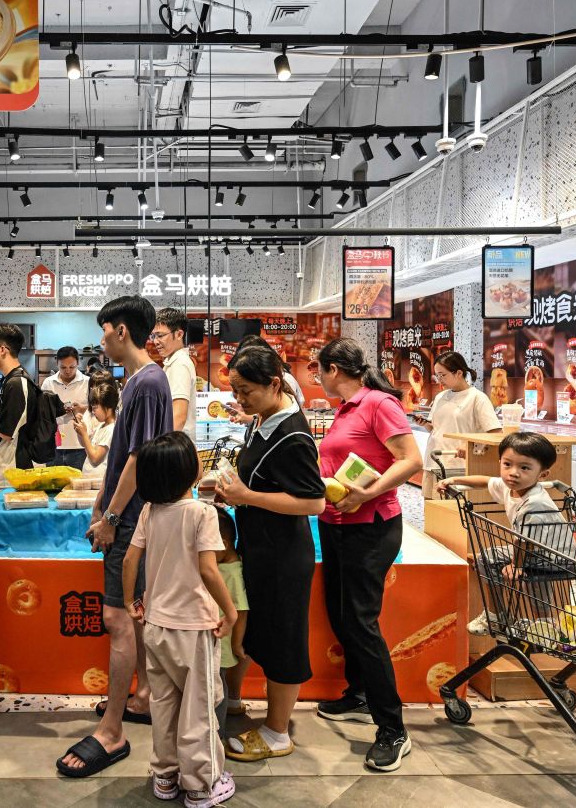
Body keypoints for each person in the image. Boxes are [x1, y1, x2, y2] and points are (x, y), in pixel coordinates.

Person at [57, 296, 172, 778]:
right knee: (133, 614)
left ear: (121, 331)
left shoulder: (146, 382)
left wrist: (111, 516)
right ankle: (141, 697)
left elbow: (137, 459)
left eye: (104, 330)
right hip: (127, 514)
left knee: (117, 615)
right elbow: (123, 454)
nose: (101, 339)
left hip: (134, 518)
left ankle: (112, 730)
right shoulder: (139, 381)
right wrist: (101, 505)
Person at [313, 337, 422, 772]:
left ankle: (393, 728)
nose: (317, 378)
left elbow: (411, 459)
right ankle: (357, 692)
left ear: (335, 369)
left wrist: (368, 493)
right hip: (336, 526)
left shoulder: (379, 403)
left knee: (360, 622)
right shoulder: (345, 408)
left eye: (319, 370)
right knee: (340, 615)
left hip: (371, 528)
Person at [214, 345, 325, 764]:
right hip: (259, 548)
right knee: (253, 631)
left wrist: (248, 496)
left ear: (274, 384)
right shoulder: (261, 421)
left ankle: (278, 731)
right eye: (236, 392)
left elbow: (313, 503)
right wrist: (234, 493)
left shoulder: (293, 435)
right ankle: (235, 702)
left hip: (283, 558)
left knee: (283, 642)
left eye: (247, 392)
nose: (240, 401)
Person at [122, 432, 238, 807]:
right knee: (199, 710)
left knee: (165, 704)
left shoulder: (149, 511)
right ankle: (202, 786)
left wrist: (130, 602)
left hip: (155, 626)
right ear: (193, 474)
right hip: (194, 629)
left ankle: (165, 776)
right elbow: (208, 569)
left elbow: (129, 561)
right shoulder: (203, 513)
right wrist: (231, 611)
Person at [438, 432, 569, 634]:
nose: (513, 472)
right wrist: (454, 479)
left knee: (486, 559)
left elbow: (523, 543)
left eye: (524, 468)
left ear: (542, 475)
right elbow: (485, 481)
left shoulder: (533, 504)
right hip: (548, 549)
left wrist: (516, 565)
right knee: (534, 579)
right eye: (507, 464)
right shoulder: (513, 487)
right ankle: (544, 623)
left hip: (551, 555)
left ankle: (496, 616)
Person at [415, 350, 501, 495]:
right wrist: (425, 424)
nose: (439, 379)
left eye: (443, 375)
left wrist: (469, 445)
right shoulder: (441, 396)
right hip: (433, 461)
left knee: (454, 513)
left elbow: (495, 432)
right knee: (432, 511)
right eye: (437, 375)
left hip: (457, 466)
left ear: (459, 373)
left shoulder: (477, 398)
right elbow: (436, 429)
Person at [0, 323, 35, 495]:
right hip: (4, 472)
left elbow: (6, 431)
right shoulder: (10, 380)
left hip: (7, 476)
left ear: (2, 350)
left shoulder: (16, 383)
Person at [214, 509, 250, 734]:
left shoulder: (233, 573)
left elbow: (241, 611)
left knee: (218, 686)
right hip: (213, 636)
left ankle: (217, 731)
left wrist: (237, 644)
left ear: (224, 543)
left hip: (223, 641)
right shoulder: (220, 564)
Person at [152, 307, 198, 443]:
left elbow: (178, 416)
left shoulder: (180, 364)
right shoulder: (173, 362)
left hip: (175, 448)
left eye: (160, 336)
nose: (155, 341)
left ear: (179, 334)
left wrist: (158, 448)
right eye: (154, 336)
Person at [43, 346, 91, 469]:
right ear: (57, 363)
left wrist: (82, 408)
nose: (68, 371)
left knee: (78, 486)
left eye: (72, 367)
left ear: (78, 363)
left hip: (79, 446)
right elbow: (41, 411)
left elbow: (98, 410)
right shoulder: (48, 383)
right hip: (53, 446)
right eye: (63, 367)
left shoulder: (88, 382)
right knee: (52, 486)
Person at [75, 381, 118, 481]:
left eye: (95, 408)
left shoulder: (111, 429)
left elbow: (95, 460)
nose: (93, 412)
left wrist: (84, 434)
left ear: (108, 406)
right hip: (91, 479)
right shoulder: (102, 425)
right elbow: (86, 446)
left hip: (99, 481)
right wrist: (80, 431)